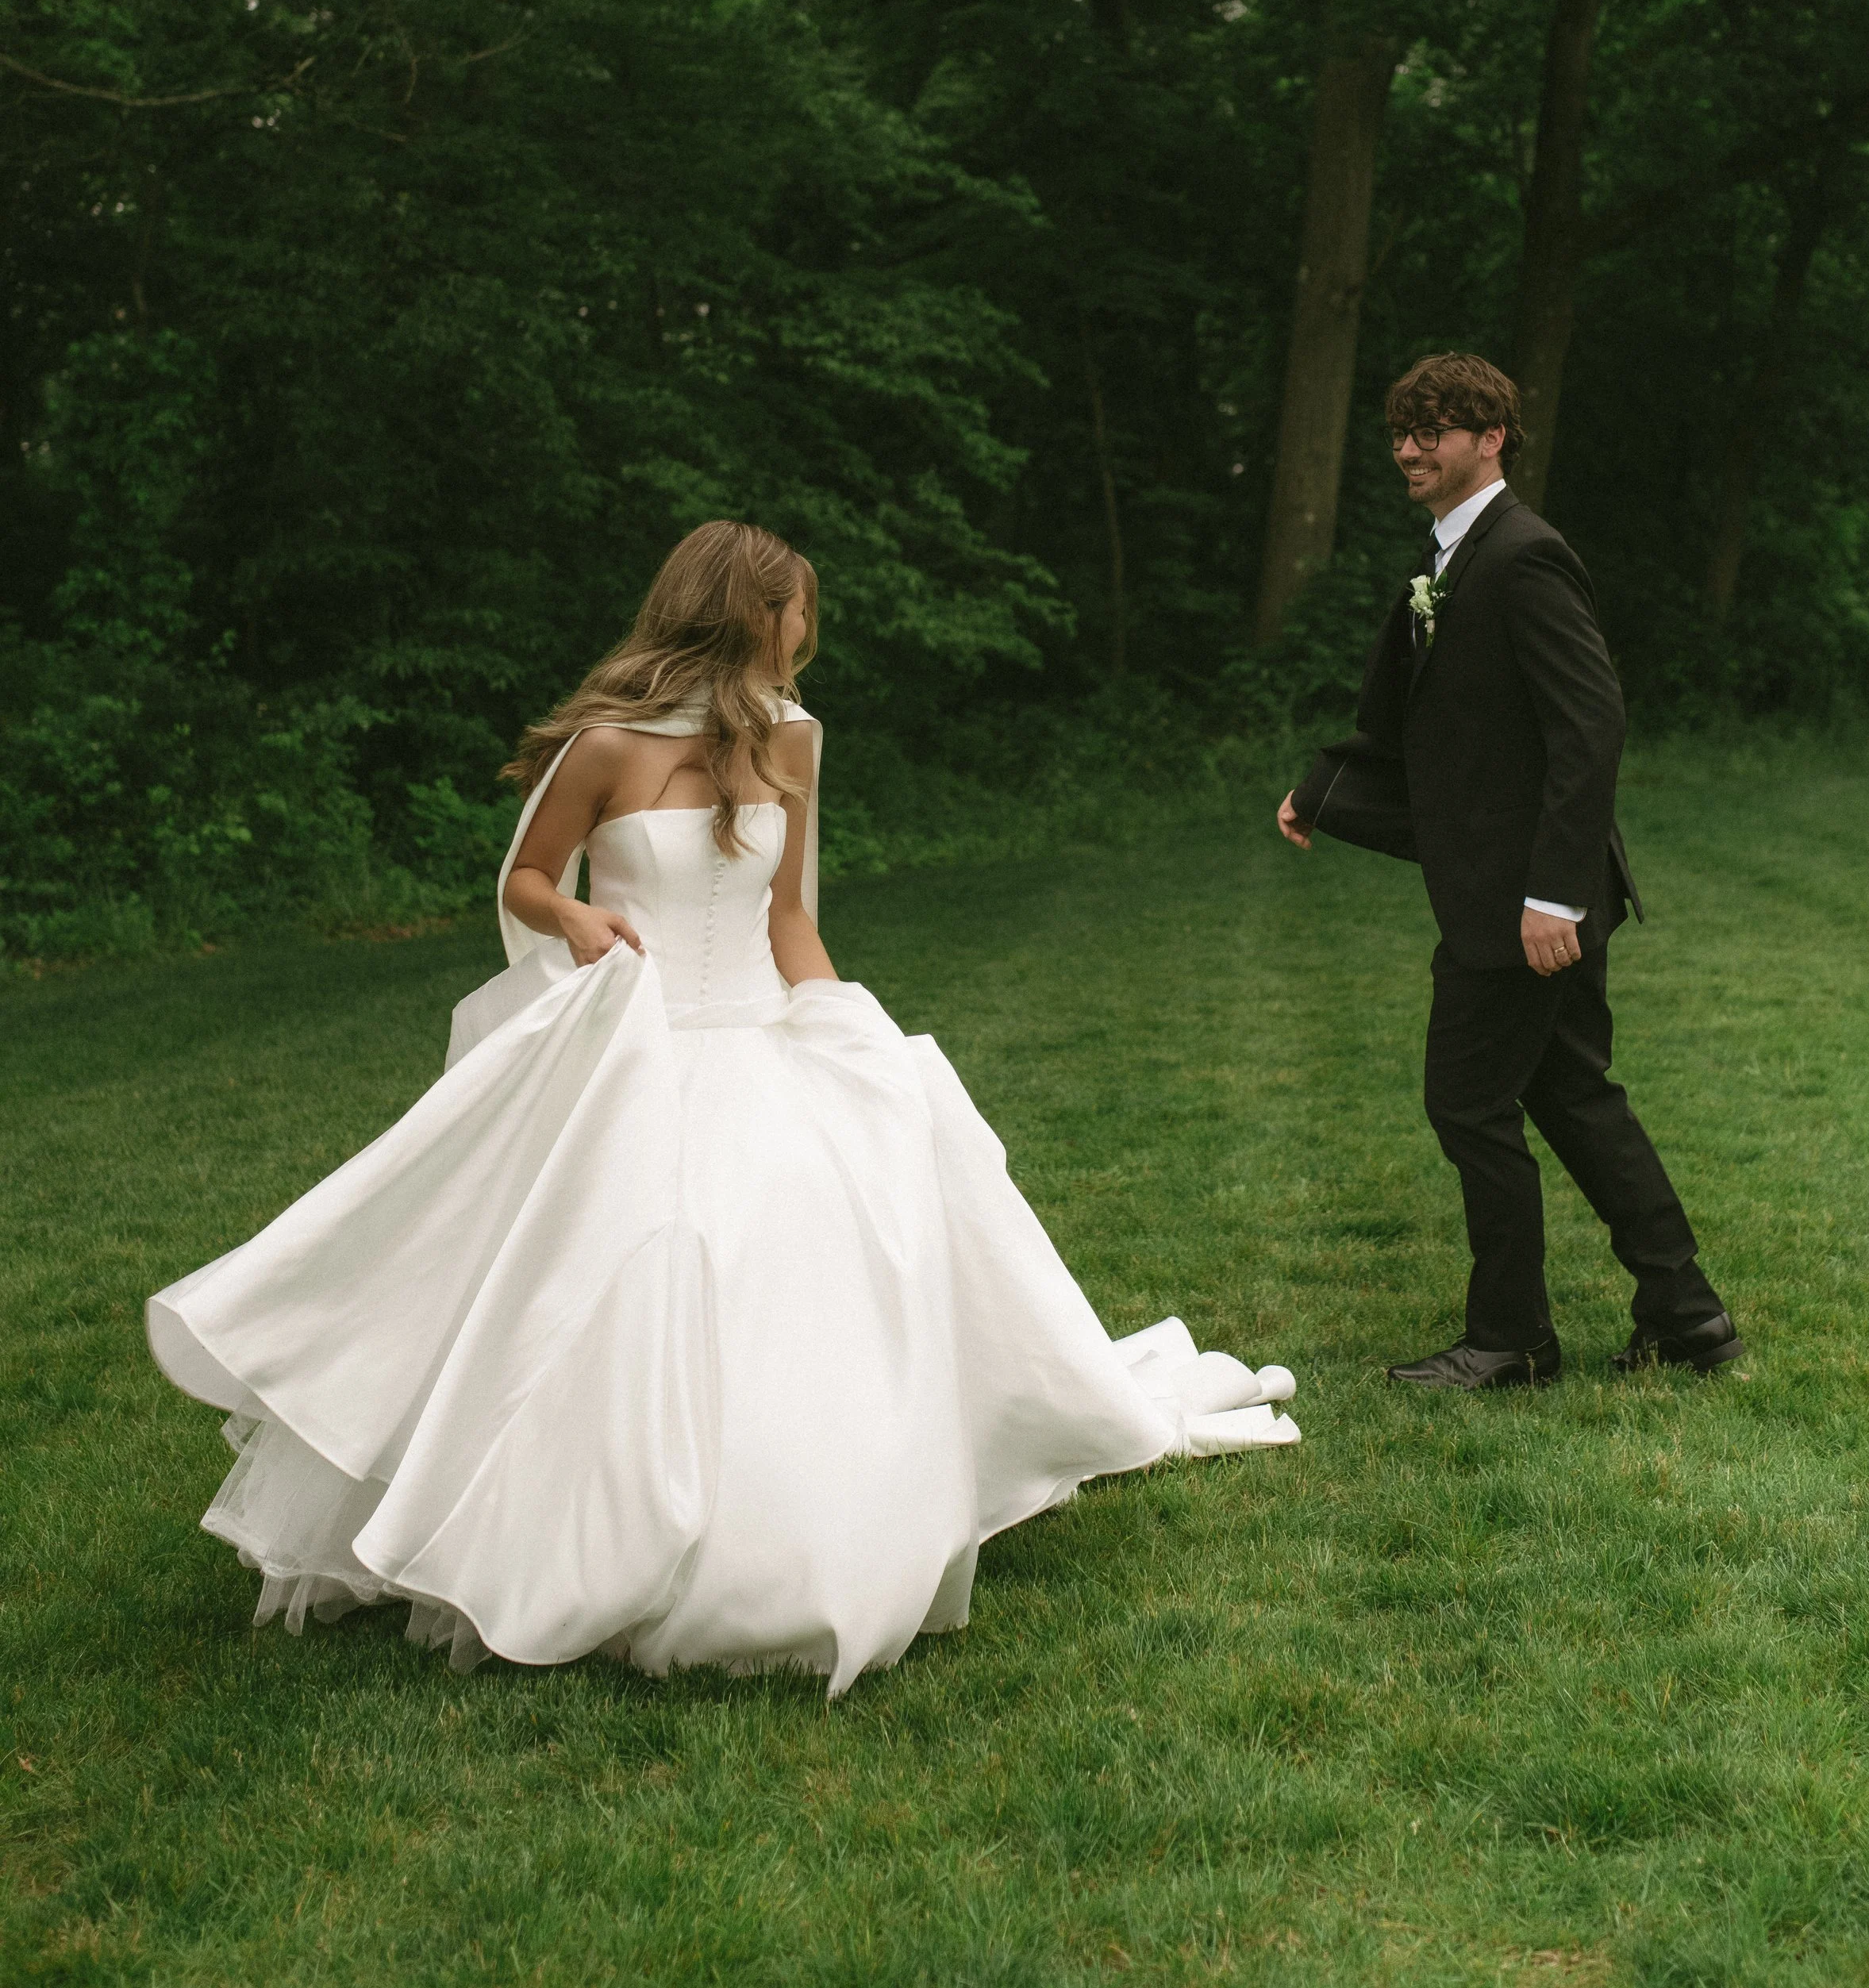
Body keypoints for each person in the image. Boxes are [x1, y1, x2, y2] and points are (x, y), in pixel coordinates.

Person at [149, 521, 1297, 1694]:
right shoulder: (606, 747)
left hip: (758, 1033)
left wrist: (846, 1025)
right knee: (615, 1264)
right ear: (752, 613)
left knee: (814, 1247)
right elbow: (526, 878)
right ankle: (568, 1526)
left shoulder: (794, 740)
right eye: (797, 610)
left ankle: (802, 1530)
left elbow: (788, 918)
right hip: (639, 1044)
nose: (807, 632)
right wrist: (580, 920)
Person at [1278, 354, 1742, 1390]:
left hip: (1527, 901)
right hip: (1519, 889)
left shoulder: (1520, 555)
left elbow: (1592, 721)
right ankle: (1686, 1312)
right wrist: (1325, 791)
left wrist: (1551, 896)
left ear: (1491, 439)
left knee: (1468, 1102)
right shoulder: (1455, 561)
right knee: (1575, 1096)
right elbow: (1450, 729)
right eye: (1401, 429)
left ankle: (1513, 1339)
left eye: (1435, 428)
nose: (1409, 446)